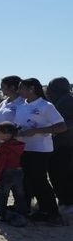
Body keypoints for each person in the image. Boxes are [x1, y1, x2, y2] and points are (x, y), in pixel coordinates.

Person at [14, 78, 66, 224]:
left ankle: (53, 213)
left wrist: (37, 131)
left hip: (40, 149)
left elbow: (61, 127)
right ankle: (35, 209)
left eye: (22, 88)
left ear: (31, 89)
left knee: (40, 180)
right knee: (27, 180)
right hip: (23, 148)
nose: (19, 91)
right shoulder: (21, 106)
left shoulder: (46, 106)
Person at [45, 77, 73, 212]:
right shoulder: (65, 100)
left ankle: (67, 202)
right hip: (64, 143)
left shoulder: (65, 101)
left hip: (64, 144)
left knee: (60, 174)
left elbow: (66, 124)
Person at [0, 121, 28, 222]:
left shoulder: (2, 148)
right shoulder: (18, 145)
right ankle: (23, 212)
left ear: (7, 135)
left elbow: (0, 164)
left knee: (3, 195)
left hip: (7, 173)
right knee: (19, 194)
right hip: (18, 171)